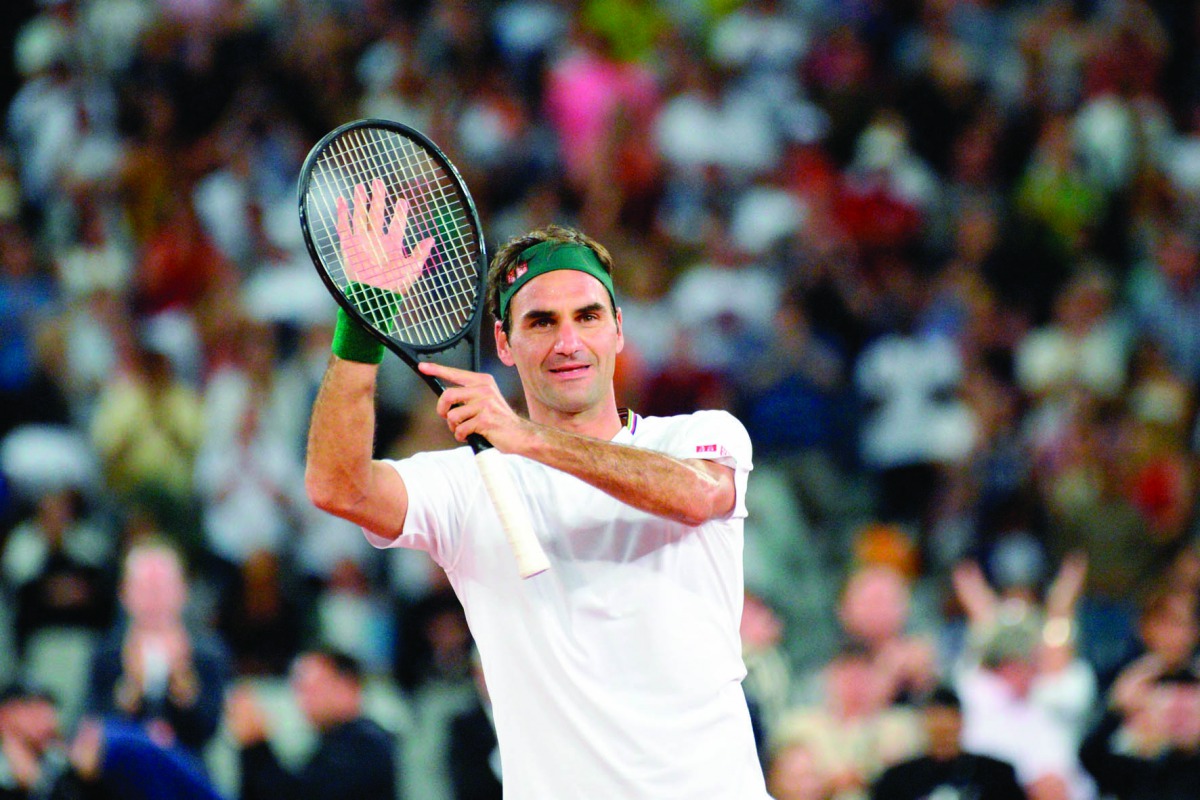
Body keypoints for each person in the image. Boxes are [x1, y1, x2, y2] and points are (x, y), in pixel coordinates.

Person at [305, 185, 769, 799]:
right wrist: (362, 323)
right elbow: (337, 485)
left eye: (588, 316)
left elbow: (695, 496)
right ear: (504, 343)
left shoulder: (700, 434)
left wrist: (526, 438)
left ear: (618, 330)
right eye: (541, 322)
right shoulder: (466, 486)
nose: (568, 341)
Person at [84, 542, 230, 760]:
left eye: (162, 587)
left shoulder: (208, 652)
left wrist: (183, 684)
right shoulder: (106, 652)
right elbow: (94, 727)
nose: (154, 598)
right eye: (144, 588)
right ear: (124, 594)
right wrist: (130, 688)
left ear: (183, 591)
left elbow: (211, 730)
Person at [226, 648, 396, 800]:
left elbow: (304, 794)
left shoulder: (365, 745)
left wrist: (256, 745)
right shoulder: (334, 742)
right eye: (300, 689)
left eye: (314, 686)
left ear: (347, 686)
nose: (303, 698)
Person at [870, 685, 1027, 800]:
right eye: (935, 721)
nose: (942, 730)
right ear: (922, 724)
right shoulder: (897, 780)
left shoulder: (996, 775)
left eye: (948, 721)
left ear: (961, 722)